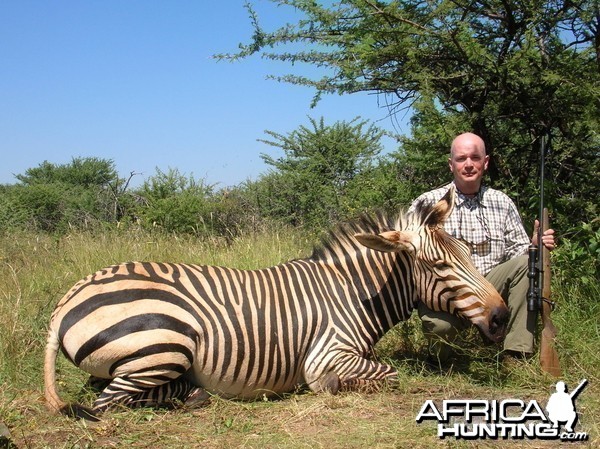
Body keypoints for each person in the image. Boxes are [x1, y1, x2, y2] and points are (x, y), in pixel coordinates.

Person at [409, 132, 555, 363]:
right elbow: (408, 258)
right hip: (448, 295)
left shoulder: (502, 202)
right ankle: (447, 357)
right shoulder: (427, 203)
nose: (468, 164)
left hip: (490, 289)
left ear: (485, 162)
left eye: (475, 158)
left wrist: (534, 246)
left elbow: (518, 253)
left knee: (527, 264)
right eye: (461, 158)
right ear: (451, 164)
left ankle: (516, 353)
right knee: (441, 342)